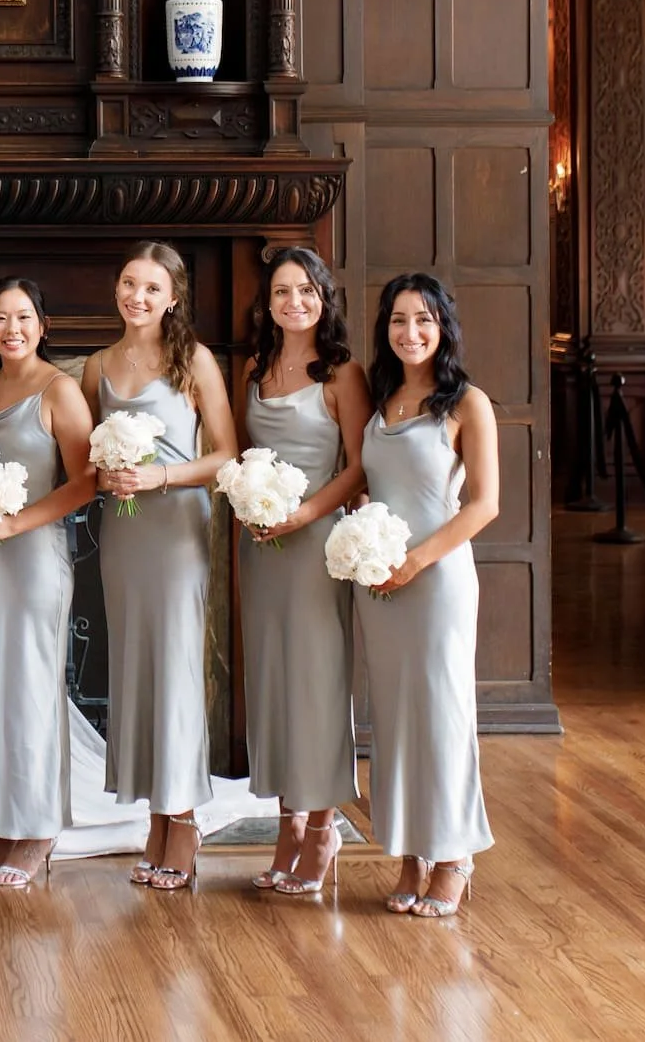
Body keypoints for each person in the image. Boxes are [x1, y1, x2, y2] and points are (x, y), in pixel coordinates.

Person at [83, 240, 236, 892]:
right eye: (127, 283)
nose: (135, 296)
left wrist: (161, 476)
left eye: (150, 287)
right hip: (123, 536)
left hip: (176, 531)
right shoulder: (97, 366)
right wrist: (108, 475)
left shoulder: (192, 361)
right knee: (137, 670)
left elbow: (227, 454)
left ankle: (184, 820)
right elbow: (87, 459)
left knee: (176, 670)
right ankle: (155, 817)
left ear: (172, 297)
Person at [231, 246, 371, 897]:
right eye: (283, 292)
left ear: (324, 298)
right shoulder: (255, 368)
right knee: (274, 684)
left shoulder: (342, 374)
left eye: (306, 292)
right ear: (268, 302)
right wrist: (249, 504)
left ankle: (322, 826)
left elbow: (359, 466)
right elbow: (239, 454)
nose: (294, 303)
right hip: (261, 550)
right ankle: (286, 819)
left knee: (317, 685)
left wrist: (304, 514)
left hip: (315, 548)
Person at [358, 272, 499, 920]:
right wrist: (363, 540)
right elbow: (371, 484)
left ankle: (453, 856)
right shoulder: (379, 398)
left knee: (442, 716)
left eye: (423, 320)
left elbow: (485, 506)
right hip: (380, 582)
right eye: (398, 320)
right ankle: (411, 851)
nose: (410, 332)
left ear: (442, 327)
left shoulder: (467, 403)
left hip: (436, 580)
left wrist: (416, 560)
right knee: (394, 720)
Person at [0, 278, 95, 889]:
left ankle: (37, 827)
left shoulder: (59, 390)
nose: (12, 329)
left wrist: (14, 522)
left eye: (23, 317)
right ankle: (3, 822)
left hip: (35, 558)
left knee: (32, 689)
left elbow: (84, 482)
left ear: (43, 325)